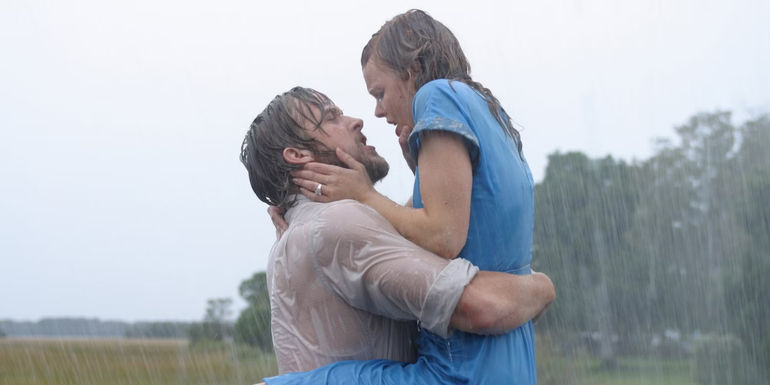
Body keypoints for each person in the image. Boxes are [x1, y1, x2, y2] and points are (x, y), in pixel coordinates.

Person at [288, 9, 541, 384]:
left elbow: (443, 237)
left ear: (413, 70)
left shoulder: (436, 95)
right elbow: (479, 221)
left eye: (380, 93)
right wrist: (420, 176)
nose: (377, 111)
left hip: (460, 367)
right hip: (511, 355)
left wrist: (364, 195)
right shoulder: (488, 110)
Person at [240, 86, 554, 384]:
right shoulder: (335, 224)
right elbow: (483, 307)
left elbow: (389, 238)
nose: (356, 121)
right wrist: (542, 286)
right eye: (331, 118)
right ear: (297, 155)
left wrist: (430, 180)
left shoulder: (295, 235)